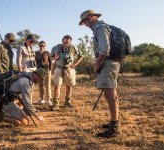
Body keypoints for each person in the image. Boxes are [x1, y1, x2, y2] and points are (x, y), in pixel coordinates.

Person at [79, 10, 121, 138]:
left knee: (110, 95)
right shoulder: (101, 28)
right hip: (109, 63)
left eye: (85, 21)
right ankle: (114, 122)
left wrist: (97, 64)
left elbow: (104, 50)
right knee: (111, 94)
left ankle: (114, 128)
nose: (85, 24)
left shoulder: (100, 27)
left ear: (92, 17)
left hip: (107, 63)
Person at [50, 35, 83, 111]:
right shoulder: (56, 47)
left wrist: (75, 64)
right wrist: (54, 58)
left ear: (70, 42)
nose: (65, 43)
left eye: (67, 42)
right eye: (64, 42)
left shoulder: (73, 47)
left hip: (69, 69)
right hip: (58, 68)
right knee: (57, 86)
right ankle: (56, 104)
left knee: (69, 86)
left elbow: (81, 56)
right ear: (62, 41)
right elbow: (50, 57)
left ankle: (67, 102)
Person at [35, 41, 53, 106]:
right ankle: (41, 99)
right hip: (39, 70)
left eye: (43, 46)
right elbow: (35, 61)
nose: (42, 47)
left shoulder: (47, 53)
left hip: (46, 70)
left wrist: (50, 70)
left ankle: (48, 99)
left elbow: (50, 61)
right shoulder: (36, 53)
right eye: (40, 46)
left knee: (47, 85)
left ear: (45, 46)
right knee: (40, 85)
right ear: (39, 46)